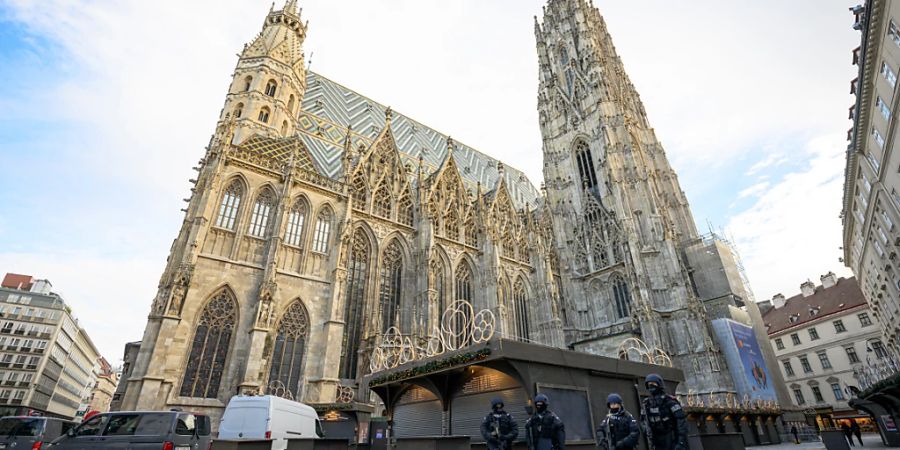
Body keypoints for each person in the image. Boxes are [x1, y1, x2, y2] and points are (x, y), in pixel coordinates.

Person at [641, 374, 688, 450]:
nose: (651, 386)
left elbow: (681, 421)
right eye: (649, 385)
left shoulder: (669, 401)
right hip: (656, 441)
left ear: (659, 384)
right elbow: (643, 421)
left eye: (653, 384)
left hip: (671, 438)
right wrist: (648, 434)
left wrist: (681, 442)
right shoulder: (646, 403)